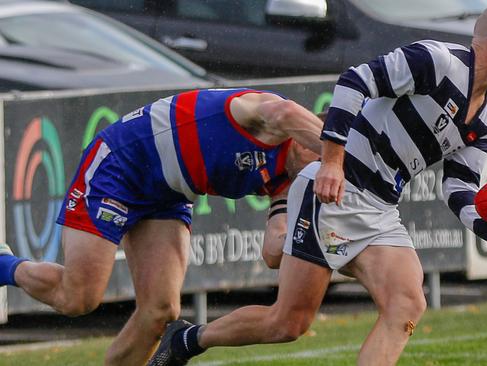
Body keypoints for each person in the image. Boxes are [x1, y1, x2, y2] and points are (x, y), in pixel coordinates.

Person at [146, 3, 487, 366]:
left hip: (381, 208)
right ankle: (189, 339)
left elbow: (459, 185)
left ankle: (263, 256)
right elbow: (355, 81)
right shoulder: (437, 61)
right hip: (333, 191)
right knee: (288, 324)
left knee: (407, 303)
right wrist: (332, 163)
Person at [0, 87, 323, 365]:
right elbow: (284, 111)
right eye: (318, 163)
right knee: (78, 299)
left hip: (167, 193)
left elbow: (272, 250)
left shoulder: (289, 180)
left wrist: (316, 237)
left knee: (161, 312)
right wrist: (336, 157)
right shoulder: (270, 117)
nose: (317, 175)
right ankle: (4, 264)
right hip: (120, 166)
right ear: (308, 139)